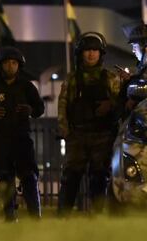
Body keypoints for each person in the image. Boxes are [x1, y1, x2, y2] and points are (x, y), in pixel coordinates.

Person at [0, 46, 45, 221]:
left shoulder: (27, 87)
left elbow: (40, 108)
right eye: (6, 63)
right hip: (0, 138)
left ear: (19, 66)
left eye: (14, 63)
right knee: (5, 177)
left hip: (22, 138)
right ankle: (10, 216)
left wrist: (30, 109)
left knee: (29, 176)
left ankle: (36, 216)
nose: (10, 66)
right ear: (0, 65)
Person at [57, 32, 123, 215]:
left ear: (101, 53)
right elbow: (63, 105)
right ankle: (63, 216)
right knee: (71, 178)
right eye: (87, 50)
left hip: (103, 136)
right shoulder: (72, 79)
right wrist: (66, 132)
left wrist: (111, 105)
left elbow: (121, 104)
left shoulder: (110, 78)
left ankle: (97, 216)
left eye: (95, 50)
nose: (91, 54)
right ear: (81, 53)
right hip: (77, 135)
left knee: (99, 177)